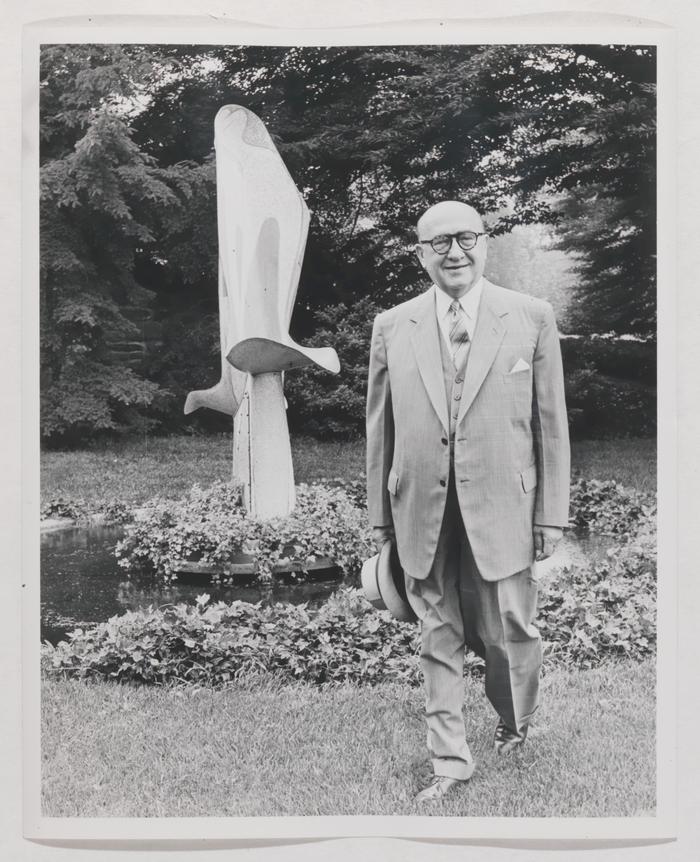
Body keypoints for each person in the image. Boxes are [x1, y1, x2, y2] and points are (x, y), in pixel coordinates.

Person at [365, 200, 570, 803]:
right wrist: (381, 516)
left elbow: (550, 424)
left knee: (509, 629)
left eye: (466, 238)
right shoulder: (391, 325)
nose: (455, 252)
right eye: (439, 243)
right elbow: (382, 429)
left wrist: (550, 513)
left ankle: (514, 723)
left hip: (506, 506)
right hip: (420, 510)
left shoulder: (530, 316)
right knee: (437, 634)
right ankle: (450, 763)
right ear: (420, 253)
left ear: (485, 243)